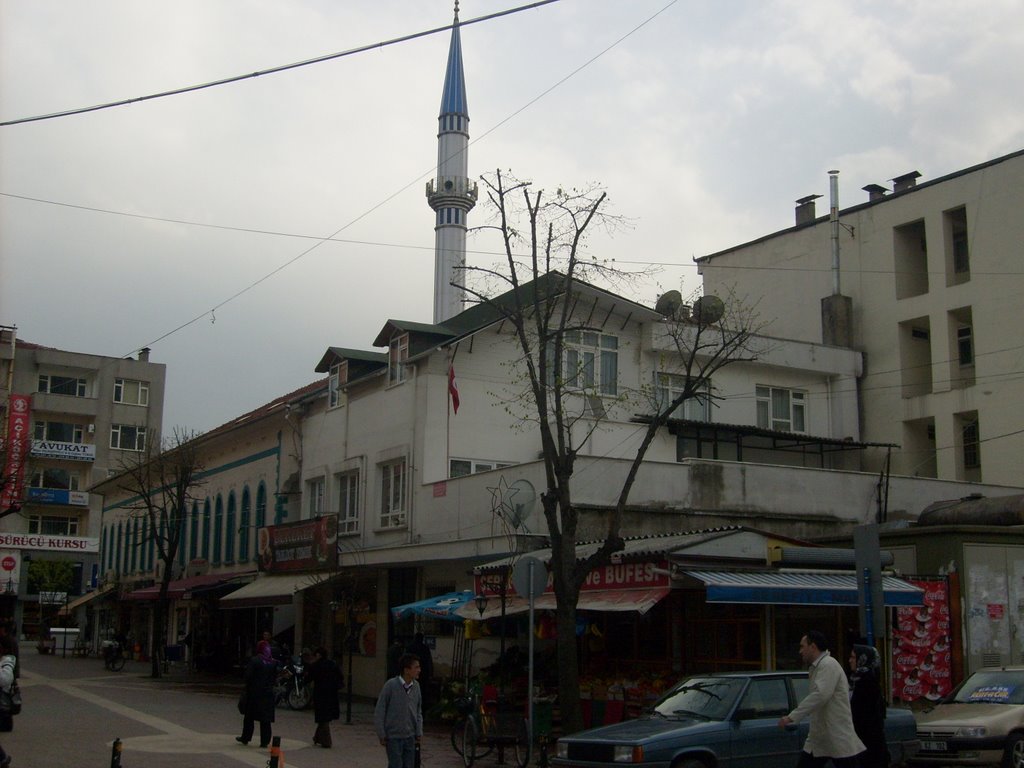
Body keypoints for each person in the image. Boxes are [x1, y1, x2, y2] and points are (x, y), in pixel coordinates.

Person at [778, 631, 865, 767]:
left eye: (802, 646)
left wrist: (792, 716)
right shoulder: (817, 667)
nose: (800, 651)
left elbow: (820, 695)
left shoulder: (828, 665)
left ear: (813, 647)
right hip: (820, 737)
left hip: (835, 734)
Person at [374, 653, 423, 768]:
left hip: (410, 736)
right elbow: (380, 710)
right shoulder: (390, 685)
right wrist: (381, 733)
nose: (419, 670)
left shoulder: (416, 687)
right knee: (396, 765)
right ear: (406, 670)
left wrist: (418, 731)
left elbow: (418, 711)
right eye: (416, 667)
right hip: (393, 737)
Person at [849, 644, 890, 768]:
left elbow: (863, 713)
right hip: (865, 742)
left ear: (863, 659)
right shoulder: (858, 679)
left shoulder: (867, 682)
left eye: (853, 657)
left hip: (869, 743)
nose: (850, 660)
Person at [236, 639, 280, 749]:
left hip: (254, 693)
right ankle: (264, 741)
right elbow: (274, 678)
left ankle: (246, 737)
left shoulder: (255, 661)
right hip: (268, 694)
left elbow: (248, 676)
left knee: (249, 717)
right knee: (265, 720)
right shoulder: (273, 663)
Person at [308, 646, 342, 748]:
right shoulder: (333, 664)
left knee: (323, 718)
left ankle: (326, 741)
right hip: (331, 693)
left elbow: (309, 678)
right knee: (325, 716)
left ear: (318, 655)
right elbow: (340, 677)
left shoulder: (316, 666)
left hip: (320, 693)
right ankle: (317, 737)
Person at [407, 633, 433, 705]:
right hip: (423, 674)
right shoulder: (425, 648)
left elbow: (405, 661)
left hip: (411, 673)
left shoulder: (409, 647)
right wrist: (430, 674)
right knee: (422, 692)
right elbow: (429, 662)